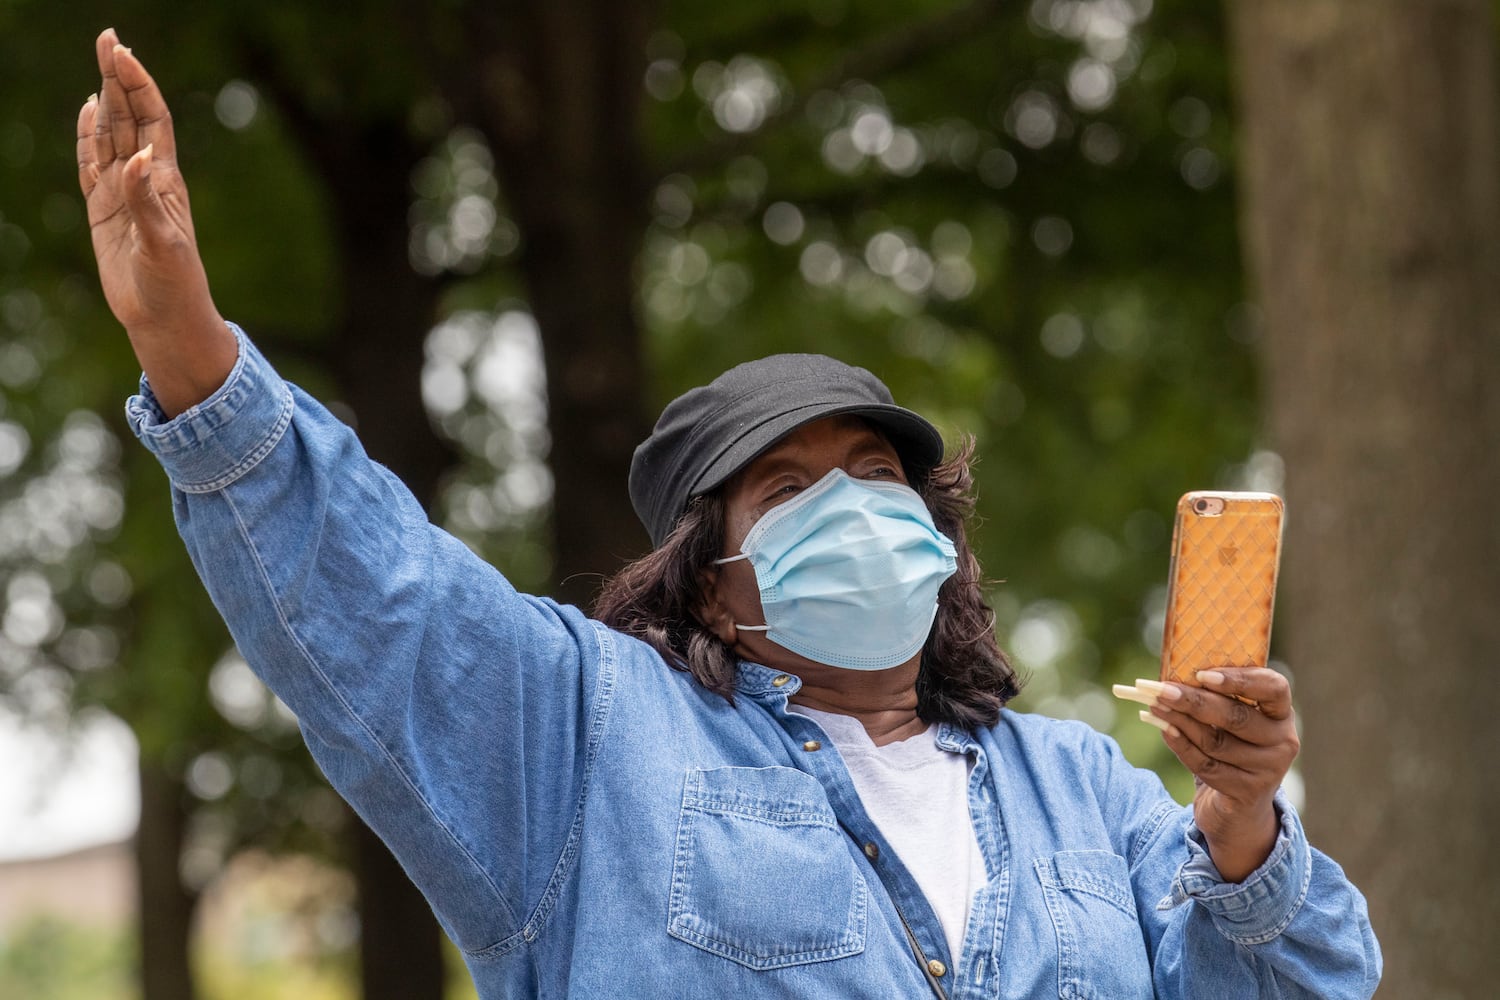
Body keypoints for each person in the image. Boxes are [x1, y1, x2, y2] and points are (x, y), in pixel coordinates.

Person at [77, 28, 1380, 1000]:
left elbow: (1306, 986)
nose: (854, 509)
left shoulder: (1086, 787)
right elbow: (389, 602)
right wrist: (187, 343)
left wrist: (1240, 827)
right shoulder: (590, 742)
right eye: (790, 487)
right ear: (713, 582)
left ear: (936, 545)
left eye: (878, 477)